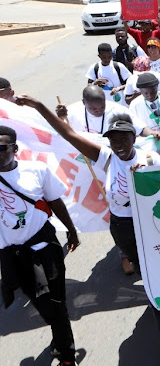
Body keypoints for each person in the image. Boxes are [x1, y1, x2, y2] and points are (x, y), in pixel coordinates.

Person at [18, 99, 160, 365]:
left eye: (122, 138)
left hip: (149, 227)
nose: (117, 143)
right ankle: (154, 296)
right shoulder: (105, 157)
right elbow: (67, 134)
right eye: (112, 138)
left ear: (133, 137)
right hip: (122, 229)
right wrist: (38, 106)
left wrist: (150, 176)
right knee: (142, 271)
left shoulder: (151, 159)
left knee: (154, 283)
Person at [0, 124, 80, 366]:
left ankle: (67, 356)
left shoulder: (36, 171)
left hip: (43, 248)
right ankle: (59, 333)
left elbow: (55, 202)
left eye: (1, 147)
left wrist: (71, 231)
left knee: (55, 301)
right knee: (38, 301)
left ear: (14, 148)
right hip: (13, 254)